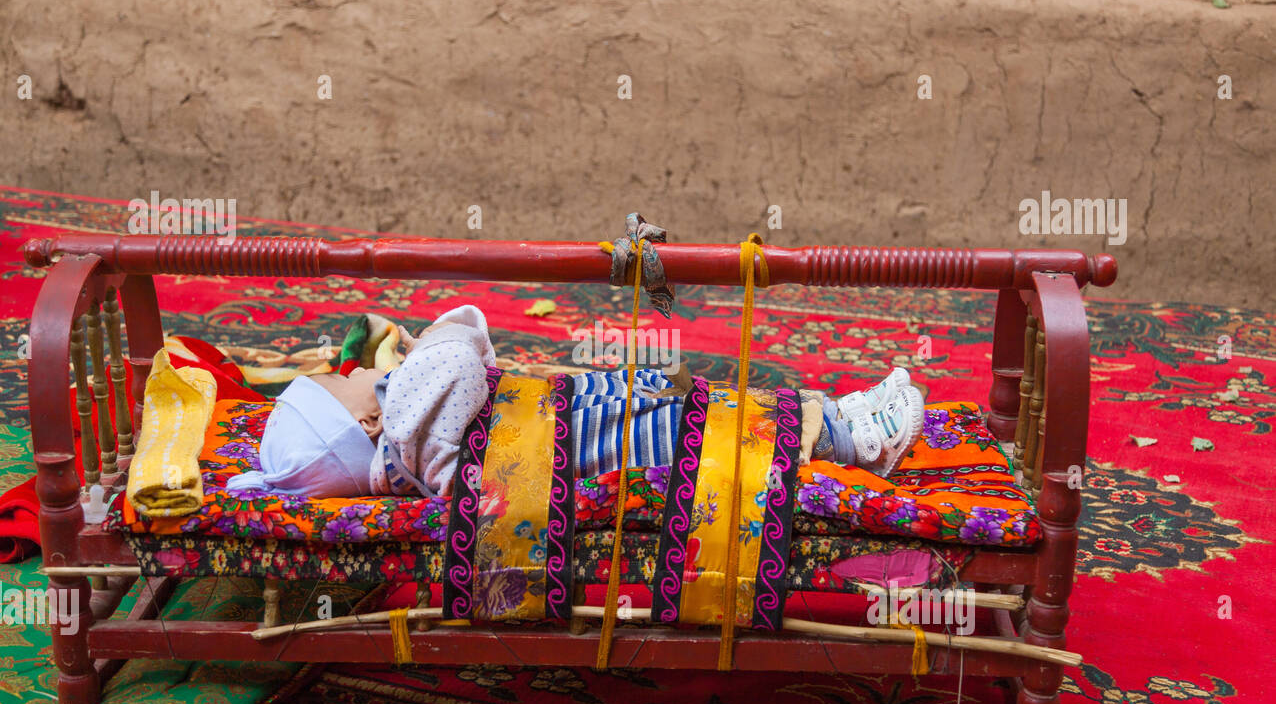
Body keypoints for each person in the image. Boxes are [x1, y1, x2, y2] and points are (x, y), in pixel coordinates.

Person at [225, 305, 924, 499]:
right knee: (705, 430)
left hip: (575, 423)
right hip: (592, 438)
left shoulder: (404, 439)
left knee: (709, 410)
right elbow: (460, 345)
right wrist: (404, 359)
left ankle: (841, 414)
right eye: (334, 380)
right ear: (365, 419)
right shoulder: (409, 429)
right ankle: (852, 437)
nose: (342, 368)